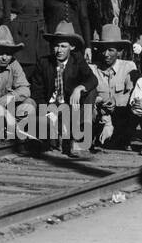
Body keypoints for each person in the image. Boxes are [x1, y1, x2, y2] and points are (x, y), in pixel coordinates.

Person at [29, 21, 98, 157]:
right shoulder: (44, 63)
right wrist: (46, 111)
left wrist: (79, 88)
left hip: (70, 106)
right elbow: (37, 91)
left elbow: (92, 80)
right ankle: (57, 139)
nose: (59, 50)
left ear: (71, 47)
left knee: (91, 91)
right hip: (52, 107)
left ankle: (79, 138)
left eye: (63, 46)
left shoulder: (77, 61)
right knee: (51, 144)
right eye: (56, 46)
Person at [88, 24, 137, 151]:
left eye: (111, 50)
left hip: (120, 117)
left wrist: (116, 101)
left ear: (119, 51)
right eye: (103, 49)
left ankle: (124, 140)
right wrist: (100, 101)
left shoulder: (129, 67)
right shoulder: (92, 69)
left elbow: (133, 93)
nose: (106, 54)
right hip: (99, 117)